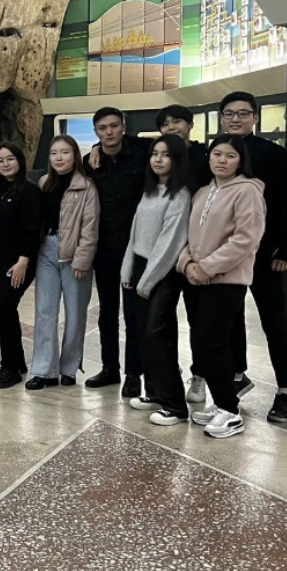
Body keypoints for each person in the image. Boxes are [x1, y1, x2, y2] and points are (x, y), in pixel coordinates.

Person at [218, 91, 287, 423]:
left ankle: (285, 391)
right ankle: (238, 376)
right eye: (229, 113)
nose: (236, 119)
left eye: (243, 113)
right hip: (228, 255)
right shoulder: (216, 153)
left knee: (274, 322)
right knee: (230, 318)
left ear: (255, 117)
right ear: (222, 118)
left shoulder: (273, 154)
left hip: (266, 255)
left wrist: (285, 249)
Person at [178, 134, 266, 439]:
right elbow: (189, 236)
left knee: (211, 342)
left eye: (230, 155)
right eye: (217, 154)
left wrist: (206, 268)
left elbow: (246, 239)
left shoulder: (248, 191)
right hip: (197, 278)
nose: (222, 160)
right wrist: (188, 264)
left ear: (240, 161)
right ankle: (221, 403)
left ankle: (230, 411)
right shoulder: (203, 191)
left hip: (227, 281)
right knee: (204, 343)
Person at [120, 135, 195, 424]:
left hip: (163, 273)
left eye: (165, 155)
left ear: (177, 160)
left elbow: (170, 243)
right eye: (154, 154)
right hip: (141, 267)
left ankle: (175, 405)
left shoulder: (180, 194)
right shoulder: (151, 190)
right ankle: (154, 393)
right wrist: (128, 269)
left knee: (156, 334)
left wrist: (148, 280)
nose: (158, 159)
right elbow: (135, 233)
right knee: (143, 333)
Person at [84, 107, 147, 397]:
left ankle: (134, 373)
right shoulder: (89, 163)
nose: (109, 132)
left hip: (135, 248)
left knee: (133, 313)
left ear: (123, 126)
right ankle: (110, 368)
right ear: (96, 132)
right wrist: (95, 150)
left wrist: (97, 147)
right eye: (102, 128)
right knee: (107, 311)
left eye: (113, 126)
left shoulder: (141, 154)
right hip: (104, 248)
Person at [27, 136, 99, 390]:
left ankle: (69, 368)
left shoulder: (86, 186)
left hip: (74, 253)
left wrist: (82, 260)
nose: (59, 158)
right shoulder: (44, 182)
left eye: (65, 152)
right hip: (46, 250)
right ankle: (44, 370)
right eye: (54, 153)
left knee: (75, 313)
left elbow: (90, 226)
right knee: (45, 311)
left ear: (75, 155)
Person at [0, 142, 43, 389]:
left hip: (19, 262)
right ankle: (16, 360)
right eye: (0, 160)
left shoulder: (30, 191)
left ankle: (10, 367)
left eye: (10, 159)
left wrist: (23, 261)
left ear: (20, 160)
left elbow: (32, 230)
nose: (5, 164)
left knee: (6, 306)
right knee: (2, 310)